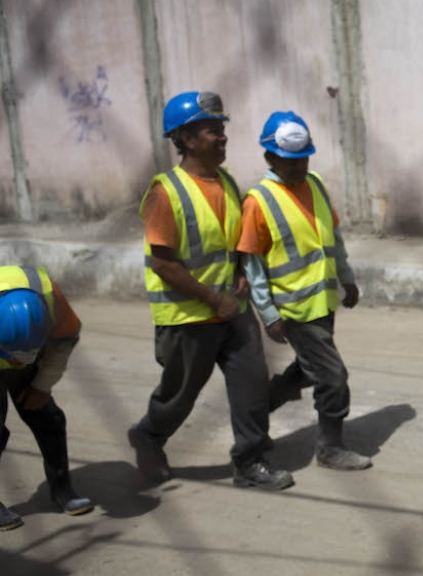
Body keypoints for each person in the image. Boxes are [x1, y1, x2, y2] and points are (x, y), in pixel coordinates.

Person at [129, 91, 293, 491]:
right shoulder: (165, 192)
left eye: (222, 129)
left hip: (232, 309)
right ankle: (150, 435)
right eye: (211, 130)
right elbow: (163, 263)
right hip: (189, 317)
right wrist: (213, 297)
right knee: (179, 397)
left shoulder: (226, 182)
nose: (222, 137)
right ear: (185, 138)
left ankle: (250, 461)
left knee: (252, 381)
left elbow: (231, 240)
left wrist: (238, 271)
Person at [237, 110, 371, 471]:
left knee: (310, 369)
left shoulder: (315, 185)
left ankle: (255, 411)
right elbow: (252, 264)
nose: (297, 167)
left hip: (323, 302)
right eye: (288, 161)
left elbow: (333, 238)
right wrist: (269, 315)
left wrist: (347, 278)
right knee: (332, 376)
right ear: (270, 158)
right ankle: (330, 447)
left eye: (302, 159)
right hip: (293, 309)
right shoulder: (258, 201)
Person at [0, 266, 93, 531]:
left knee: (48, 419)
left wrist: (41, 385)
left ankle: (63, 490)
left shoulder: (51, 299)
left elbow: (65, 340)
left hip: (29, 350)